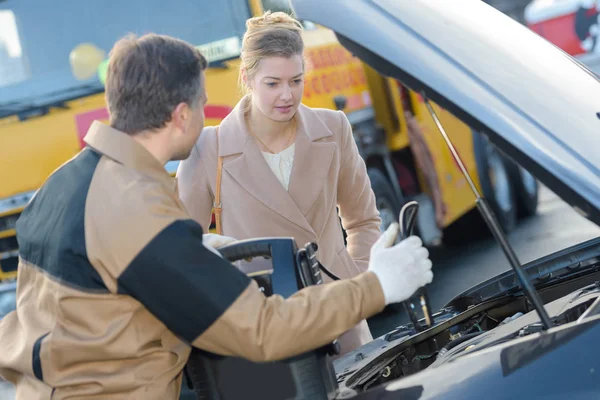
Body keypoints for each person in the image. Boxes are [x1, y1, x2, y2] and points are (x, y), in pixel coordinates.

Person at [0, 33, 433, 400]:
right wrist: (377, 285)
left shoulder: (59, 188)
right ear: (182, 115)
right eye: (203, 102)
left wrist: (194, 248)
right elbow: (262, 330)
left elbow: (58, 309)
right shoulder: (140, 214)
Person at [177, 11, 382, 356]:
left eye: (296, 81)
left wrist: (357, 283)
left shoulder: (333, 128)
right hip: (266, 329)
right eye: (273, 83)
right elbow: (181, 249)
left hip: (341, 314)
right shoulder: (208, 147)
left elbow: (363, 221)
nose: (287, 95)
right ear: (247, 77)